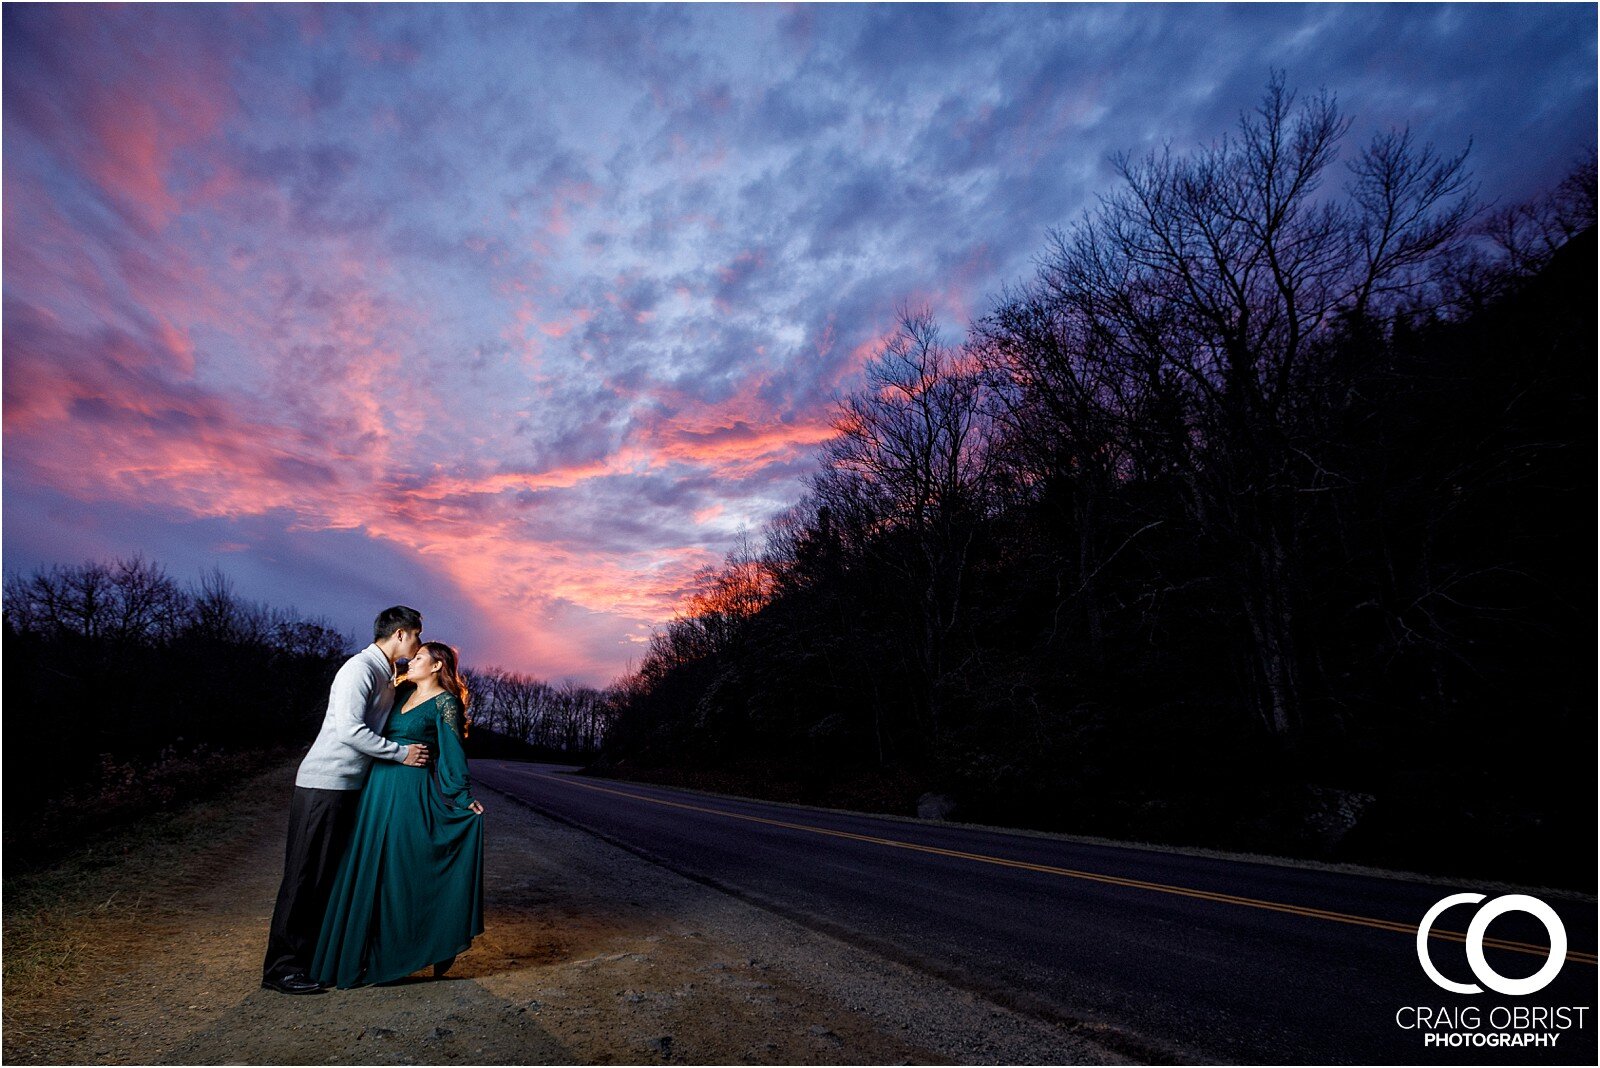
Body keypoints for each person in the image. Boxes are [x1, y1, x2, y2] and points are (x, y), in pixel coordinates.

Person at [261, 606, 430, 996]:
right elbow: (349, 729)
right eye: (417, 635)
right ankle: (281, 968)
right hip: (324, 784)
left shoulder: (386, 674)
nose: (419, 643)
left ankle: (313, 960)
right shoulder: (359, 669)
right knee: (303, 875)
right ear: (401, 634)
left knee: (326, 877)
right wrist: (399, 753)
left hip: (348, 787)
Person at [311, 641, 486, 988]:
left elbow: (451, 752)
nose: (412, 659)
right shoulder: (399, 690)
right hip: (376, 786)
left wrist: (462, 797)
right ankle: (354, 955)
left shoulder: (446, 702)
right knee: (365, 865)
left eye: (420, 657)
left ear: (437, 666)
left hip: (410, 789)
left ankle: (399, 953)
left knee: (399, 867)